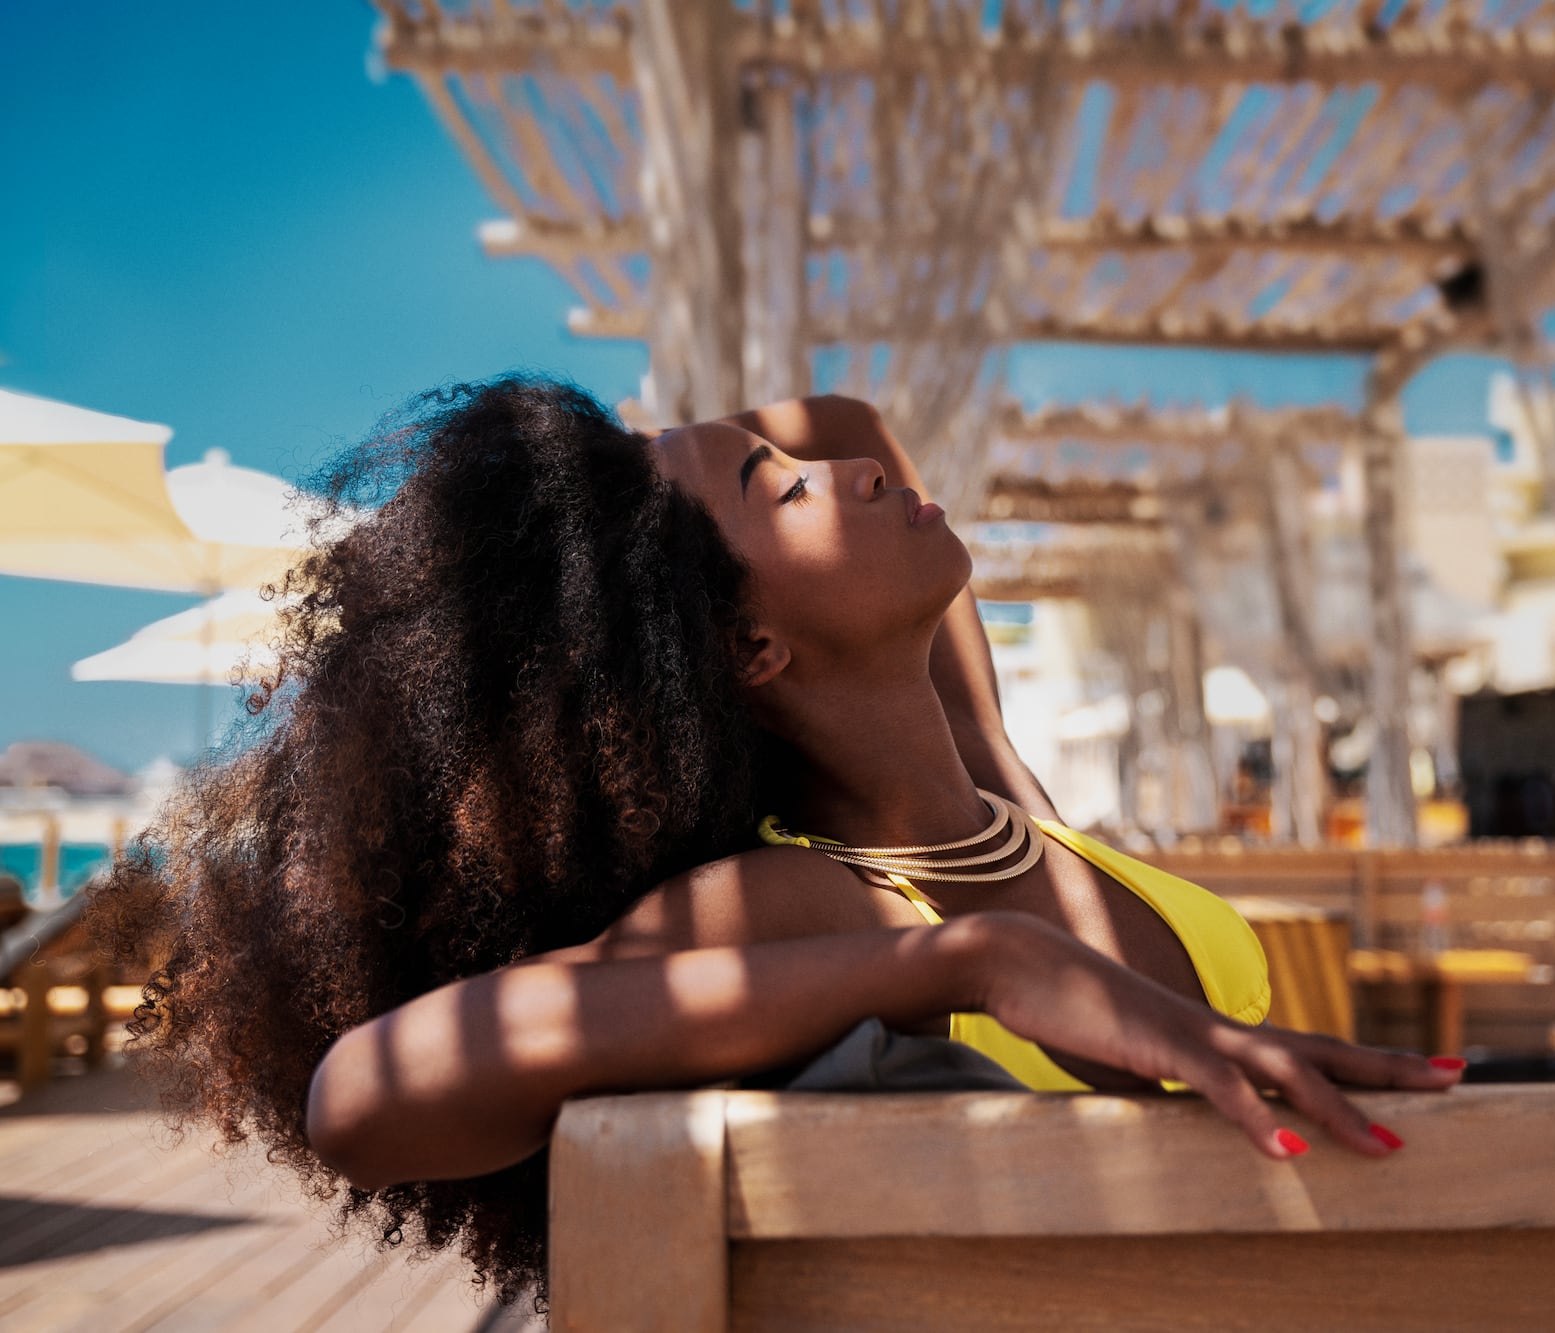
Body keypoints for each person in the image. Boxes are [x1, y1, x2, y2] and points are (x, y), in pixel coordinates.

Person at [87, 378, 1461, 1315]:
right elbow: (366, 1094)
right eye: (790, 491)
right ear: (749, 646)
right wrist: (966, 962)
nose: (854, 467)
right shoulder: (812, 900)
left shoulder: (1003, 795)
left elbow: (848, 415)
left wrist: (625, 484)